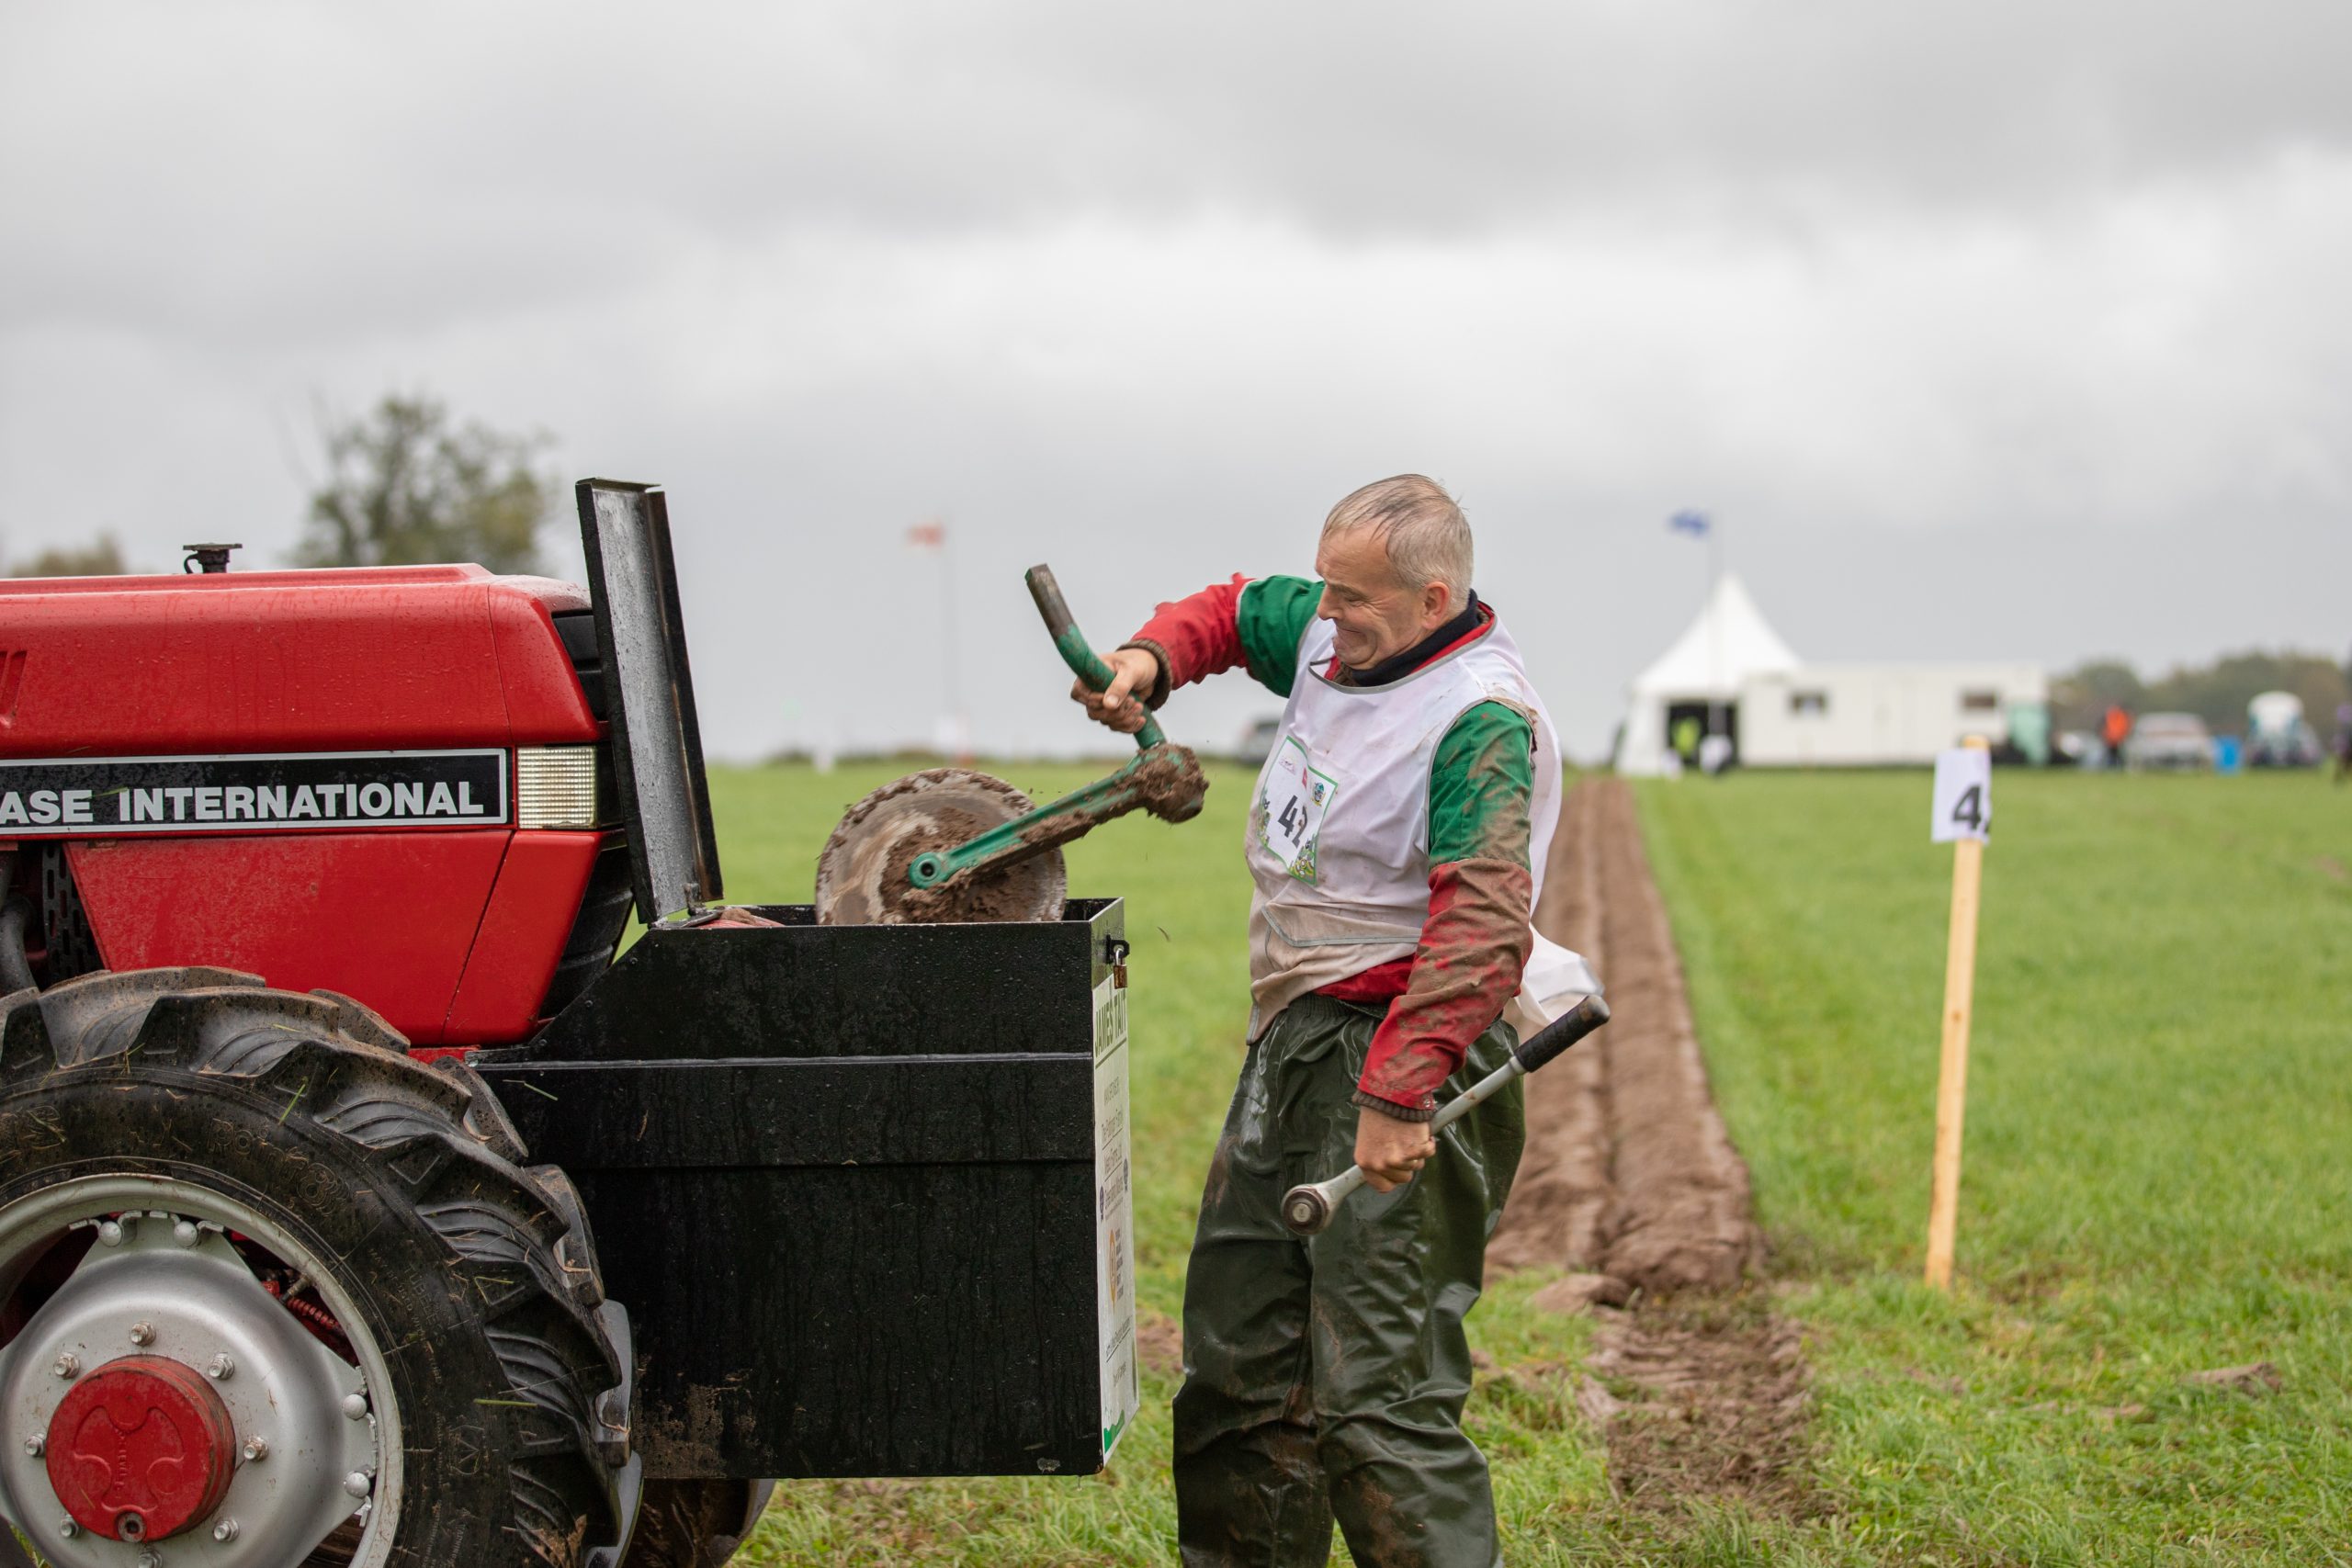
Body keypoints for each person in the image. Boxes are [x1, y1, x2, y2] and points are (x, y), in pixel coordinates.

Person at [1073, 475, 1582, 1568]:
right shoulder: (1332, 632)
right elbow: (1234, 609)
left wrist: (1399, 1092)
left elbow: (1482, 925)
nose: (1328, 614)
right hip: (1296, 1037)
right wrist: (1147, 660)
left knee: (1379, 1401)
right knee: (1240, 1374)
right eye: (1327, 587)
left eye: (1352, 598)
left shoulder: (1479, 722)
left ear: (1434, 597)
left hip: (1405, 1047)